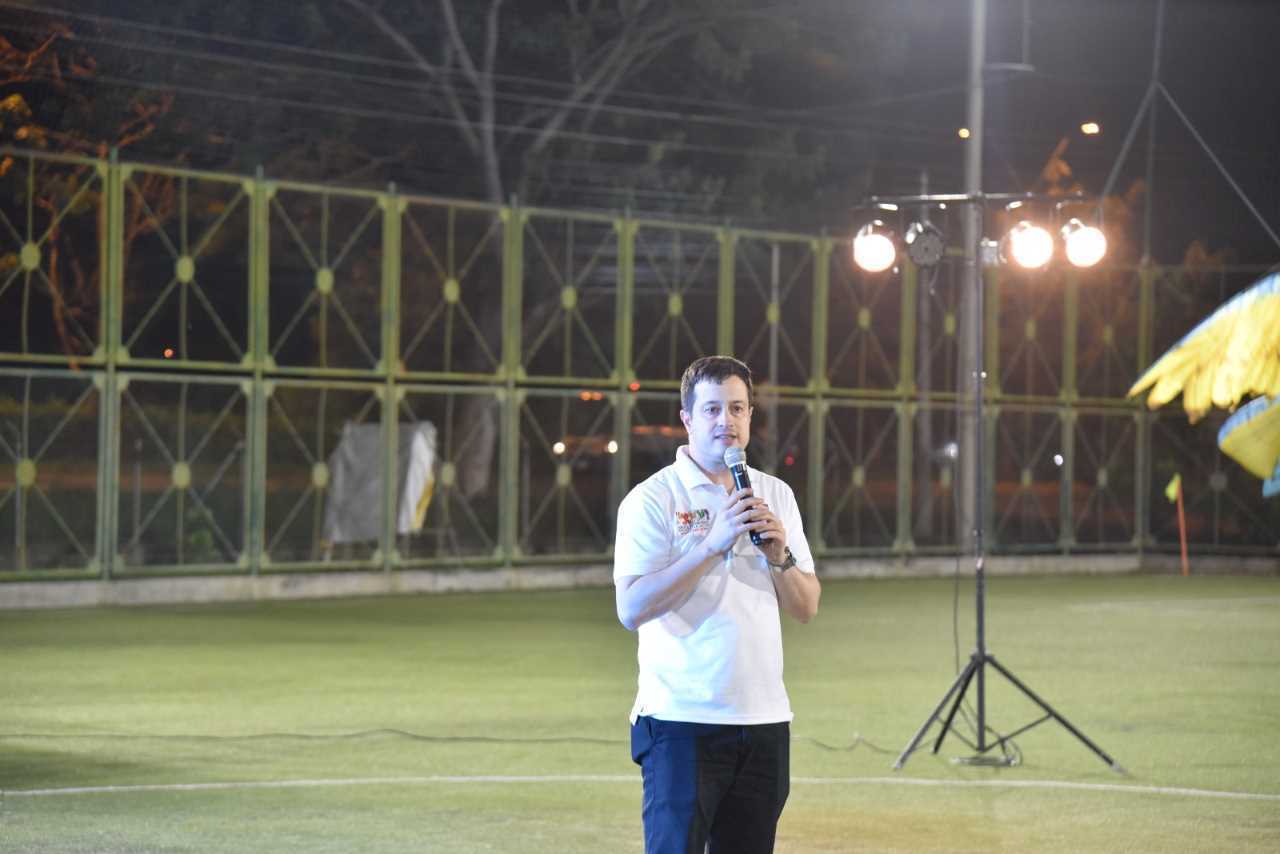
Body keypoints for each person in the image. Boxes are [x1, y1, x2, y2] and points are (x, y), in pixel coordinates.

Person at [614, 355, 821, 854]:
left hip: (763, 720)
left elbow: (807, 606)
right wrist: (710, 545)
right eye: (711, 410)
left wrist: (780, 556)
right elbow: (631, 607)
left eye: (737, 408)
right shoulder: (652, 499)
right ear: (687, 419)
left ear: (750, 416)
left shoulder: (775, 494)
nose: (725, 422)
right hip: (682, 722)